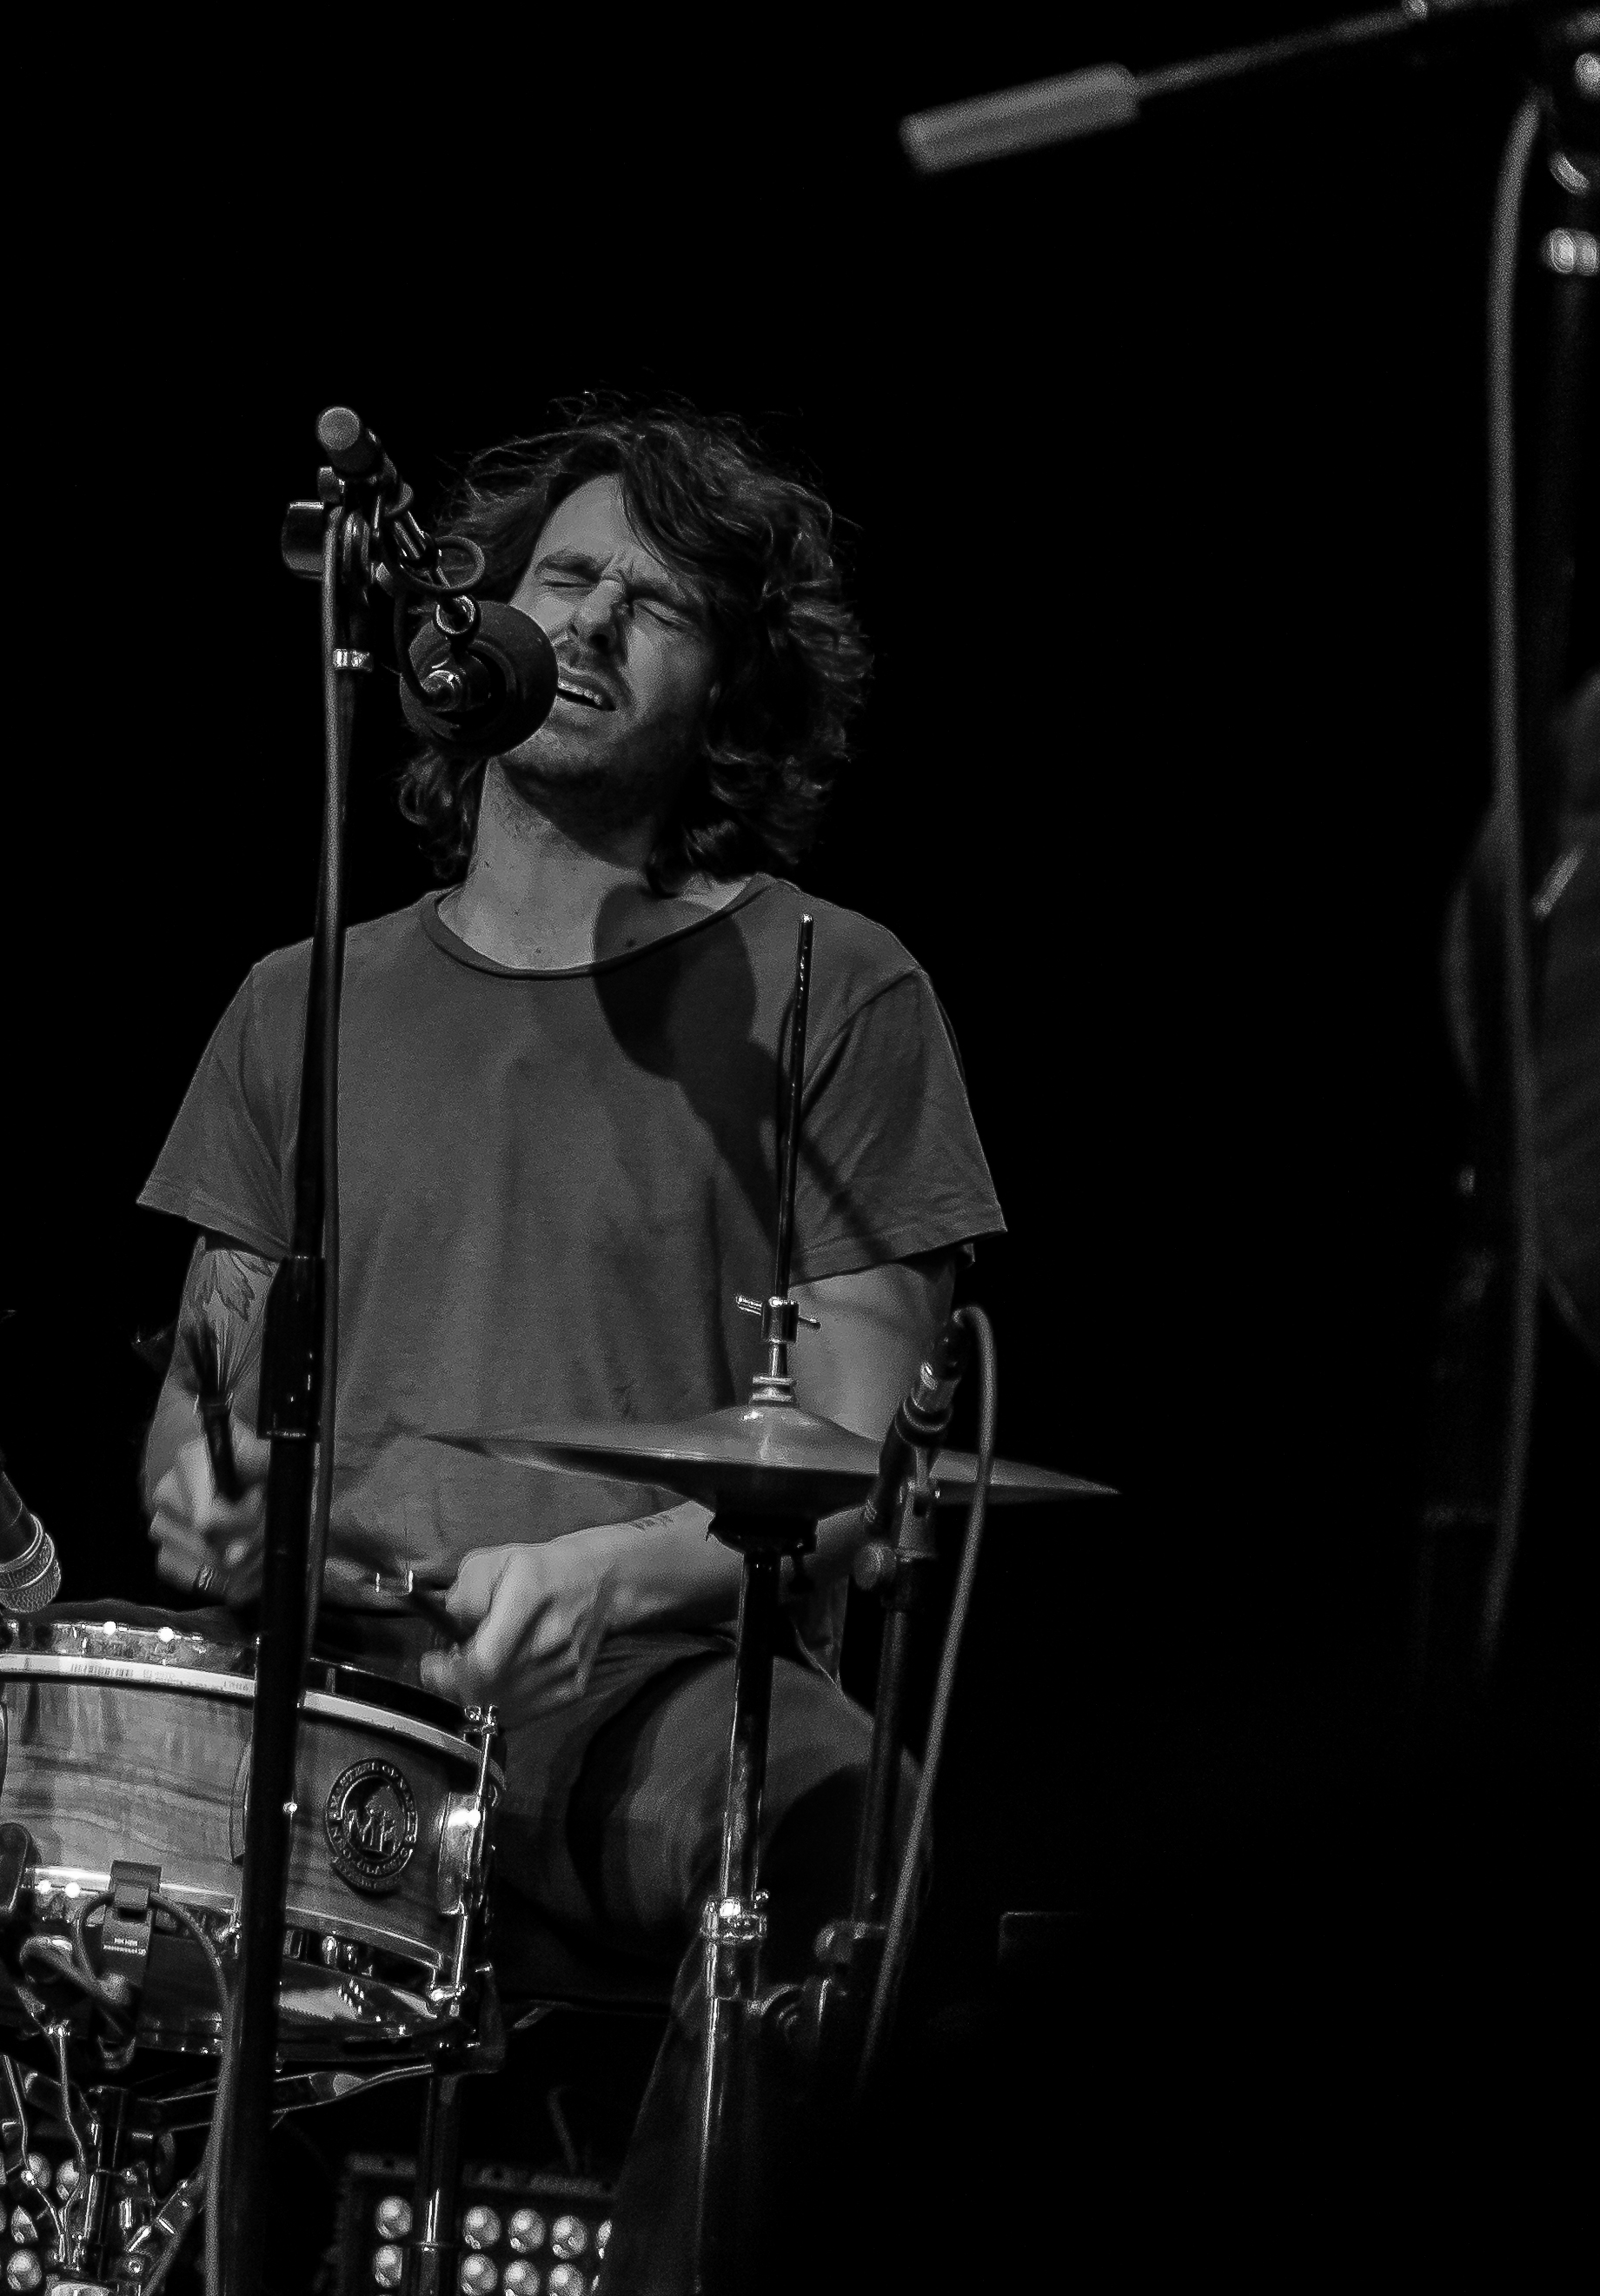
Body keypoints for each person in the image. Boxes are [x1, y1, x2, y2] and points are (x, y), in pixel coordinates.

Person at [132, 400, 1002, 2287]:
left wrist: (603, 1575)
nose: (594, 622)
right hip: (314, 1685)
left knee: (844, 1829)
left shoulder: (832, 985)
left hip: (636, 1696)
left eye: (659, 605)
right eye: (566, 577)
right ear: (479, 622)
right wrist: (208, 1507)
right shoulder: (298, 998)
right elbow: (198, 1420)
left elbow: (854, 1468)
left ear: (733, 693)